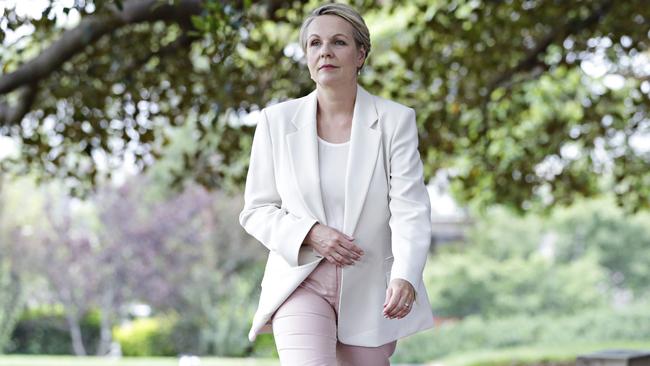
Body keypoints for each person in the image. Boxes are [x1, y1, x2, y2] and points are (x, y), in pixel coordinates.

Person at [239, 3, 434, 365]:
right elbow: (256, 210)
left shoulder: (395, 121)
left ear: (361, 54)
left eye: (338, 42)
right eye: (314, 43)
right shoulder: (275, 122)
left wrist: (406, 275)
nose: (324, 50)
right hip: (301, 280)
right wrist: (311, 233)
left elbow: (410, 208)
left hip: (371, 286)